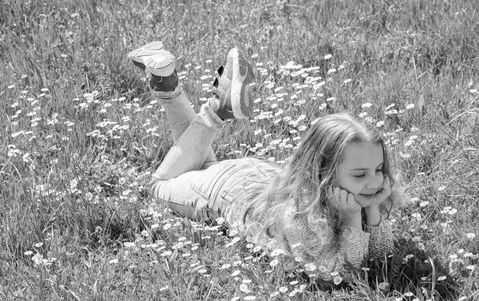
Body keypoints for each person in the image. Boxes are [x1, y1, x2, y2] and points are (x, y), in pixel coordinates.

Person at [128, 41, 397, 282]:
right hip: (225, 189)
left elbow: (381, 257)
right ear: (320, 174)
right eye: (361, 175)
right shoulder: (299, 216)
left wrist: (373, 212)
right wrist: (352, 217)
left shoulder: (335, 193)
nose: (374, 181)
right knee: (160, 185)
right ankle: (214, 112)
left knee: (196, 164)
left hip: (257, 176)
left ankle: (165, 81)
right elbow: (341, 275)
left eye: (378, 169)